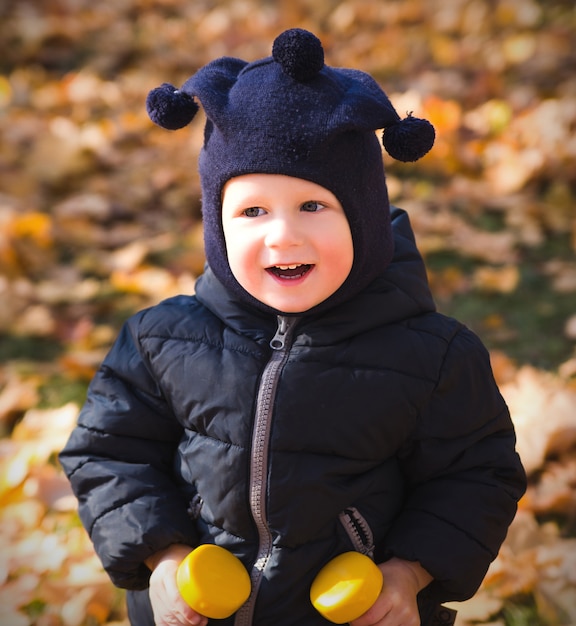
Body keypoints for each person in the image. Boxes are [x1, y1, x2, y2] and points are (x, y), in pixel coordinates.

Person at [59, 28, 526, 626]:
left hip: (354, 612)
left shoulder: (432, 356)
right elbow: (108, 453)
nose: (282, 234)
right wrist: (164, 556)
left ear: (364, 220)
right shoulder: (160, 339)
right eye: (252, 211)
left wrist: (410, 574)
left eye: (314, 206)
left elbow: (477, 475)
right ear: (217, 226)